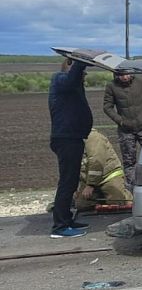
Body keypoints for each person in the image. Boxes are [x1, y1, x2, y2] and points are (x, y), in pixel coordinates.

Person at [48, 58, 92, 238]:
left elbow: (74, 82)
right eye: (82, 73)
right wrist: (80, 63)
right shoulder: (60, 79)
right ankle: (60, 226)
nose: (84, 77)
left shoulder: (69, 86)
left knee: (71, 181)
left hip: (72, 138)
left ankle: (67, 219)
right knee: (67, 182)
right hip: (66, 139)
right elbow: (71, 78)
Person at [103, 72, 142, 191]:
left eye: (127, 74)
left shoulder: (141, 81)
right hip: (125, 130)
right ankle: (132, 190)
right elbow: (107, 107)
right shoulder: (111, 86)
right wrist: (120, 121)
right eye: (121, 75)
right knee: (129, 162)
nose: (125, 77)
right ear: (116, 75)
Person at [74, 129, 133, 211]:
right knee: (82, 205)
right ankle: (102, 196)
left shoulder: (93, 138)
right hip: (89, 179)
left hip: (108, 176)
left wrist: (91, 185)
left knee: (117, 202)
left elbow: (97, 163)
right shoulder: (75, 139)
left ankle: (127, 195)